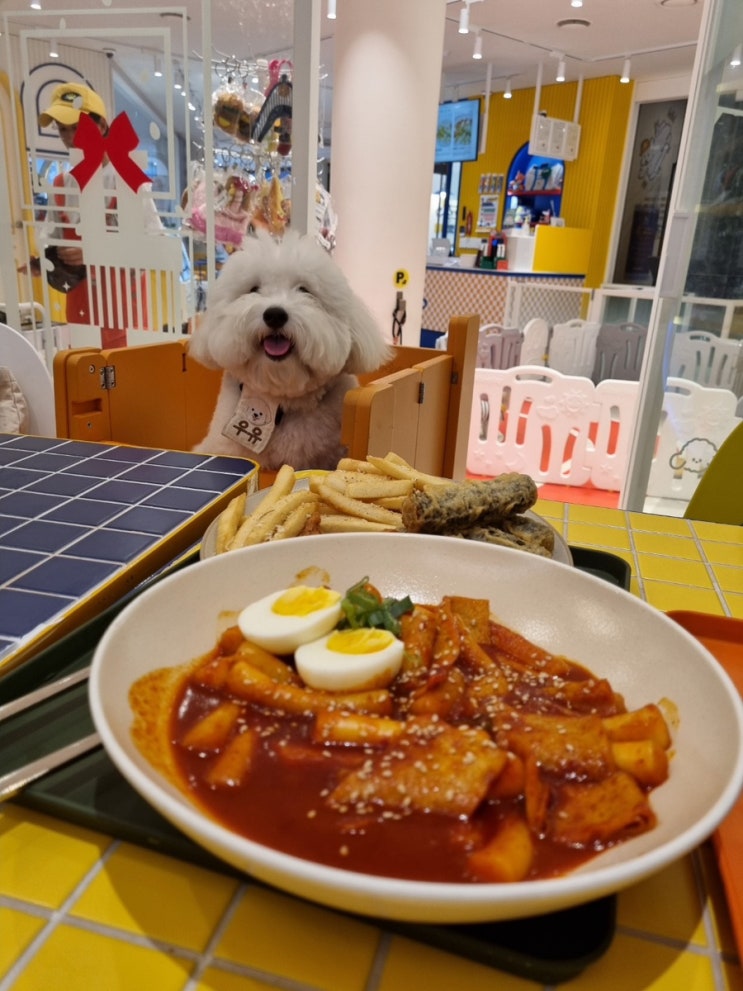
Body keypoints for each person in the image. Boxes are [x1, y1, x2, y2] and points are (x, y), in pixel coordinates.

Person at [37, 82, 162, 348]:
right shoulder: (60, 184)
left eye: (76, 127)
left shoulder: (127, 179)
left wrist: (95, 252)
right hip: (80, 312)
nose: (69, 137)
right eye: (62, 129)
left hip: (125, 313)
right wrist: (50, 258)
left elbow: (154, 246)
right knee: (87, 370)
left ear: (102, 126)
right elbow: (51, 241)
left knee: (123, 372)